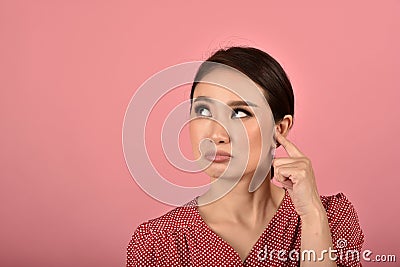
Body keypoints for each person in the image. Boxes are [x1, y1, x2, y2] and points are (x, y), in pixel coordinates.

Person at [126, 46, 364, 266]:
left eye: (240, 113)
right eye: (204, 110)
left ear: (279, 129)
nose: (216, 135)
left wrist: (312, 215)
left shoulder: (331, 218)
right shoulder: (158, 242)